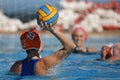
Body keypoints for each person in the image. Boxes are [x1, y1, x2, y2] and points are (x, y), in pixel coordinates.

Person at [9, 22, 76, 76]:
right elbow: (71, 46)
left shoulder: (16, 66)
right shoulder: (44, 63)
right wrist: (52, 30)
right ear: (39, 44)